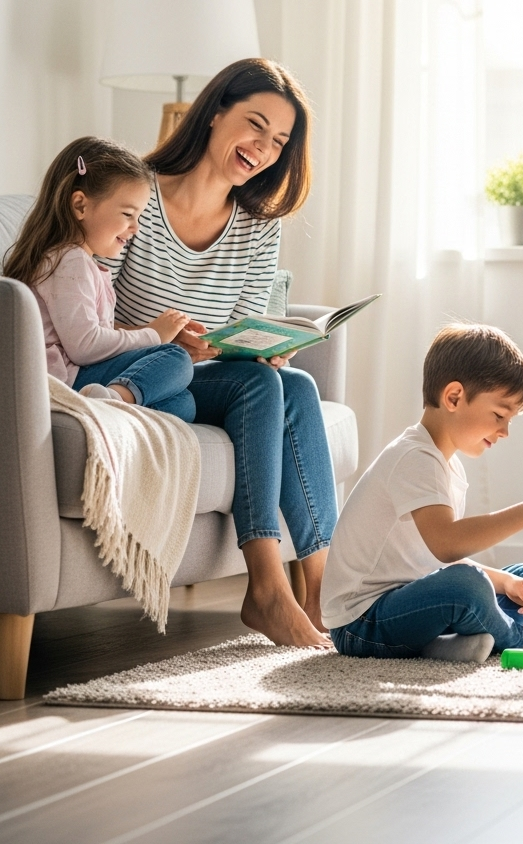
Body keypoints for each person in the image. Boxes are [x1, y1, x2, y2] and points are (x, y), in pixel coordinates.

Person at [105, 58, 336, 649]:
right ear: (214, 113)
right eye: (255, 125)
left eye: (278, 141)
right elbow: (83, 316)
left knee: (294, 384)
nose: (263, 147)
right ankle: (266, 588)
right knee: (259, 387)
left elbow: (243, 328)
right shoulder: (133, 193)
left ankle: (322, 592)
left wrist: (263, 349)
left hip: (203, 374)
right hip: (134, 369)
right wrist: (160, 333)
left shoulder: (258, 226)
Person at [321, 323, 523, 663]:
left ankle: (447, 644)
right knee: (466, 586)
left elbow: (436, 559)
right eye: (499, 415)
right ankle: (519, 636)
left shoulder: (447, 466)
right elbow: (447, 544)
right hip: (361, 623)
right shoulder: (414, 458)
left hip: (409, 598)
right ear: (453, 397)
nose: (505, 431)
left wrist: (504, 582)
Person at [4, 136, 194, 419]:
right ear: (80, 205)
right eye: (128, 214)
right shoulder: (69, 261)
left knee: (184, 404)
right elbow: (85, 347)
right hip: (65, 380)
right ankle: (108, 403)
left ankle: (112, 399)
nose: (136, 228)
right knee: (175, 358)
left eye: (139, 216)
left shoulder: (78, 262)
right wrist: (154, 335)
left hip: (78, 376)